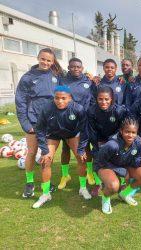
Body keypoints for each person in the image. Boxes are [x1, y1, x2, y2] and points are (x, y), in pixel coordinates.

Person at [15, 47, 63, 199]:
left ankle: (45, 183)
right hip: (34, 123)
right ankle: (29, 183)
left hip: (51, 123)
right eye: (43, 59)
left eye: (49, 60)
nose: (45, 62)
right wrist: (25, 123)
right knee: (32, 152)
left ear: (52, 61)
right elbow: (20, 101)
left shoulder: (56, 76)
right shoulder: (27, 77)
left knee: (47, 154)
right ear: (38, 58)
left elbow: (64, 95)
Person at [33, 85, 89, 208]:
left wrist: (81, 148)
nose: (60, 101)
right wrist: (44, 149)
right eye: (57, 98)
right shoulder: (47, 108)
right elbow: (40, 128)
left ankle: (83, 188)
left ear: (70, 98)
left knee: (81, 158)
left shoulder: (78, 108)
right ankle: (46, 194)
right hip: (53, 135)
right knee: (46, 161)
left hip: (72, 134)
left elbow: (85, 129)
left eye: (63, 98)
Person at [94, 117, 141, 214]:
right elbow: (100, 162)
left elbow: (136, 159)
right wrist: (121, 171)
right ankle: (105, 198)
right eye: (127, 132)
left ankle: (124, 194)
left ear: (137, 133)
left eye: (133, 132)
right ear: (121, 131)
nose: (130, 135)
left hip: (124, 164)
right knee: (113, 186)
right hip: (105, 166)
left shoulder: (139, 143)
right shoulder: (112, 145)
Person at [58, 57, 94, 190]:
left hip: (84, 119)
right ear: (69, 68)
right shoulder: (63, 81)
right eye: (73, 67)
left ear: (82, 68)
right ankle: (65, 175)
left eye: (78, 67)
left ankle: (89, 172)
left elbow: (93, 98)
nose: (76, 69)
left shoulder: (88, 81)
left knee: (86, 147)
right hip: (67, 119)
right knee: (65, 148)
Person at [87, 86, 129, 196]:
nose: (103, 102)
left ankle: (123, 181)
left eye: (106, 99)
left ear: (112, 99)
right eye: (100, 99)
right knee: (97, 157)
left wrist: (113, 141)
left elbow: (122, 129)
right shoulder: (91, 111)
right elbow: (92, 131)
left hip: (115, 141)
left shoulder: (119, 110)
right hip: (99, 140)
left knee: (118, 158)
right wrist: (97, 144)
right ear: (96, 99)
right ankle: (98, 183)